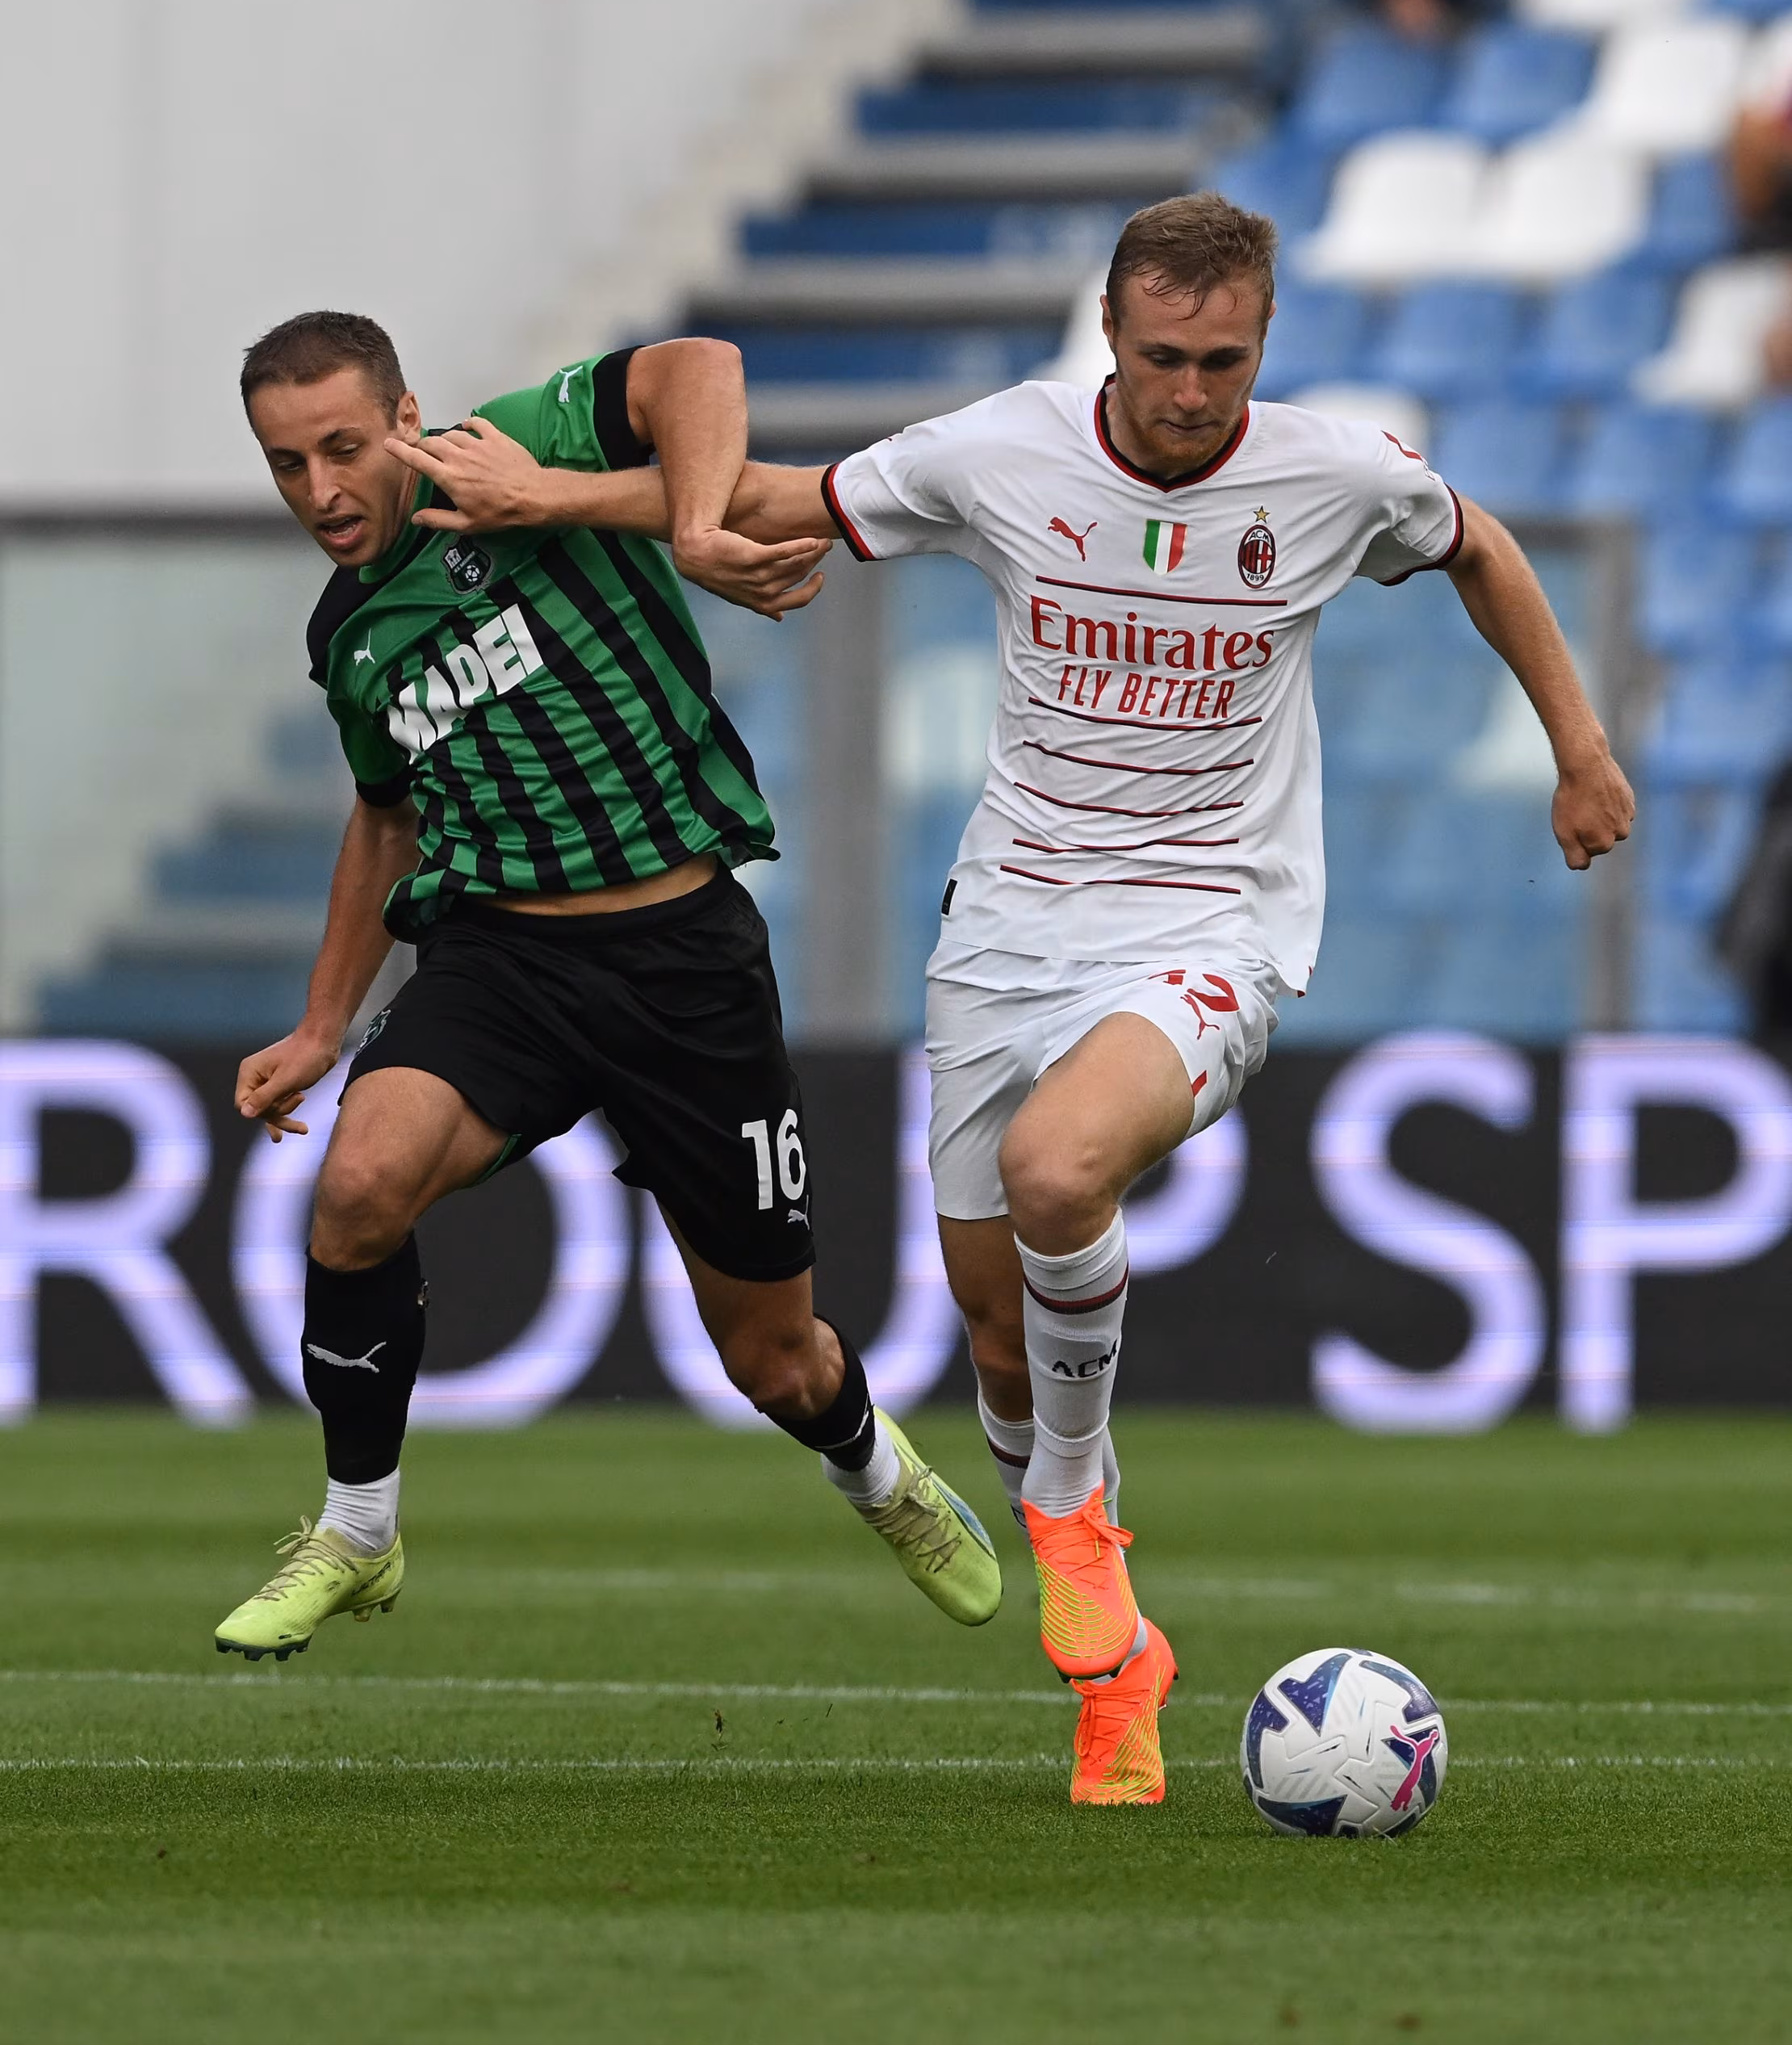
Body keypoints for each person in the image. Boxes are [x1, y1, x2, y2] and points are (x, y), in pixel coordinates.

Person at [388, 194, 1635, 1804]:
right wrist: (554, 496)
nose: (1192, 392)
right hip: (1004, 931)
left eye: (1225, 362)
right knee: (995, 1334)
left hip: (1210, 920)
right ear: (1112, 335)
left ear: (1265, 343)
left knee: (1060, 1172)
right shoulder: (1005, 451)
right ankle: (1120, 1678)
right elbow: (778, 495)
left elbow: (1481, 547)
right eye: (1165, 356)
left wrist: (1580, 748)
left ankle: (1076, 1520)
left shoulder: (1332, 476)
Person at [216, 312, 1002, 1662]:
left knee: (775, 1359)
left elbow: (702, 368)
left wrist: (656, 521)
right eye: (288, 464)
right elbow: (385, 812)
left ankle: (876, 1471)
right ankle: (357, 1528)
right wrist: (322, 1023)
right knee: (355, 1192)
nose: (322, 490)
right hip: (501, 963)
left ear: (406, 416)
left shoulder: (516, 444)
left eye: (343, 448)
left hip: (683, 961)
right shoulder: (348, 632)